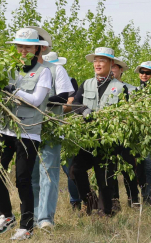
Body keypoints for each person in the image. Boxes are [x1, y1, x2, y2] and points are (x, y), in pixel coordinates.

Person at [0, 27, 53, 240]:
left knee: (22, 178)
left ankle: (26, 226)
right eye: (19, 46)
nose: (23, 50)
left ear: (37, 48)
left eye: (27, 46)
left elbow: (36, 101)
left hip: (28, 131)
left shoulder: (44, 72)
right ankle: (6, 215)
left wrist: (13, 91)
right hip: (4, 127)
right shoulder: (7, 69)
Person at [67, 47, 128, 216]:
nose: (97, 64)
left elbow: (127, 113)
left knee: (105, 178)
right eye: (95, 60)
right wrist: (83, 109)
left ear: (111, 63)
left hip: (109, 140)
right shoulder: (87, 84)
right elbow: (75, 103)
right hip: (88, 138)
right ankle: (91, 201)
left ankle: (105, 213)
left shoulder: (121, 88)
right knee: (75, 170)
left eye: (102, 60)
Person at [32, 33, 74, 231]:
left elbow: (64, 96)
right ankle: (32, 215)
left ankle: (45, 218)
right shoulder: (22, 70)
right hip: (28, 129)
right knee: (30, 175)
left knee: (48, 173)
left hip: (51, 128)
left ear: (41, 48)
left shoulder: (56, 69)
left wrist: (39, 99)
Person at [131, 61, 151, 205]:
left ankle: (150, 200)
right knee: (139, 168)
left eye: (147, 73)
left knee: (150, 166)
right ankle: (143, 194)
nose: (144, 75)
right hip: (137, 137)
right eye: (142, 72)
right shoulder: (134, 92)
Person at [111, 56, 137, 211]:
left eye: (115, 67)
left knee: (128, 167)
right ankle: (114, 200)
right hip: (108, 134)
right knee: (110, 168)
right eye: (111, 67)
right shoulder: (101, 87)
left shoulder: (130, 89)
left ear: (121, 70)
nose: (112, 70)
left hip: (125, 135)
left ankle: (133, 197)